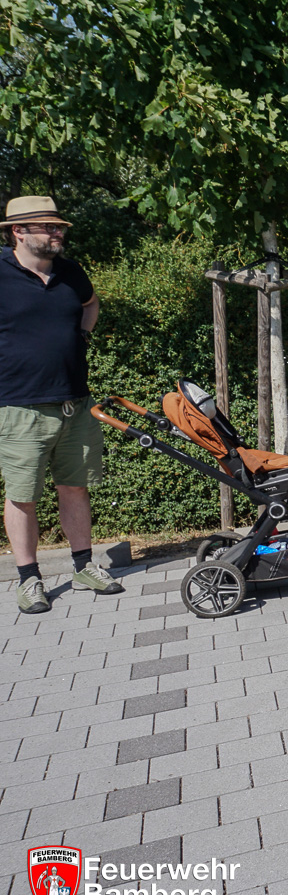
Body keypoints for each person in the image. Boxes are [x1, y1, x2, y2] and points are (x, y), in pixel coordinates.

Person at [0, 195, 124, 614]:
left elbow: (91, 303)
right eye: (49, 227)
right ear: (19, 231)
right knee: (23, 496)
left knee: (75, 487)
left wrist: (83, 335)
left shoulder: (70, 272)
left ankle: (84, 566)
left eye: (59, 227)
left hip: (75, 402)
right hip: (19, 407)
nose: (58, 233)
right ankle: (29, 579)